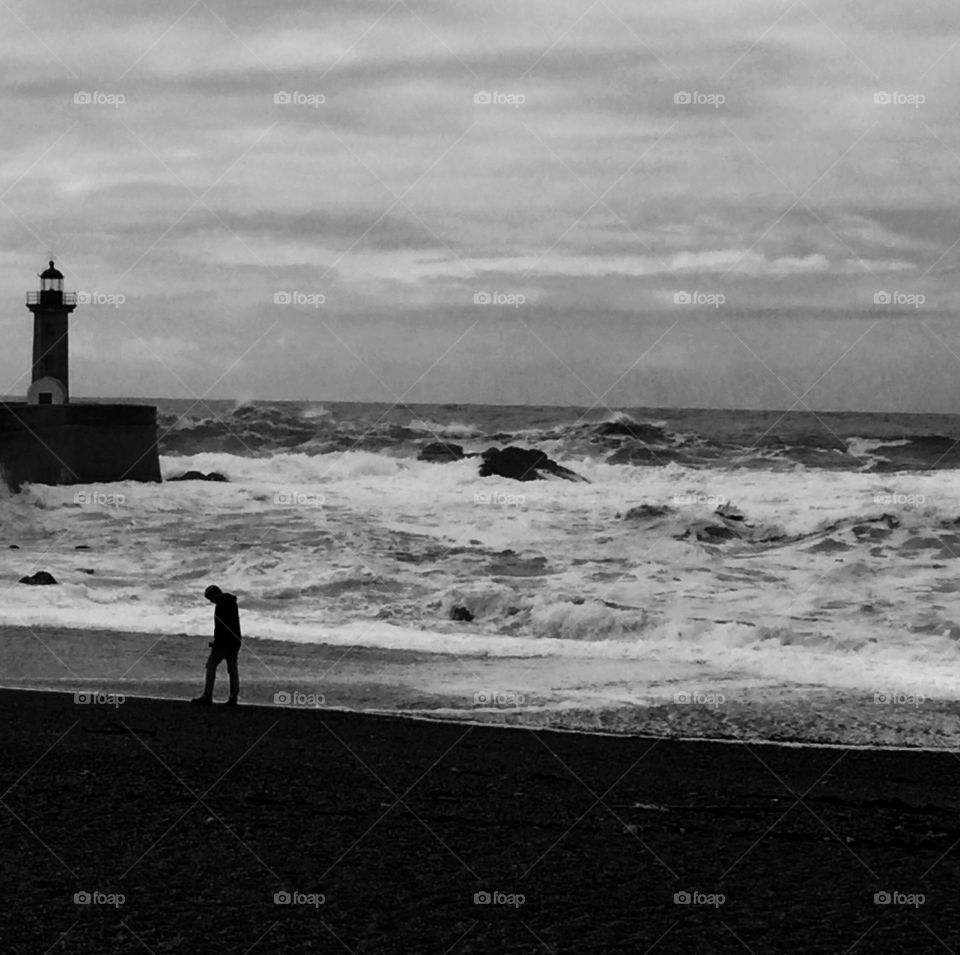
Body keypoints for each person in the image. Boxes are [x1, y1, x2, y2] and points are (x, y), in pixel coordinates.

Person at [192, 585, 242, 706]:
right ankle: (233, 698)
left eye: (210, 598)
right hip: (235, 641)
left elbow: (221, 628)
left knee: (211, 666)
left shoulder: (221, 604)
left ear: (215, 594)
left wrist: (216, 642)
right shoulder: (231, 602)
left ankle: (207, 696)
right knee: (232, 670)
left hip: (223, 642)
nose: (211, 601)